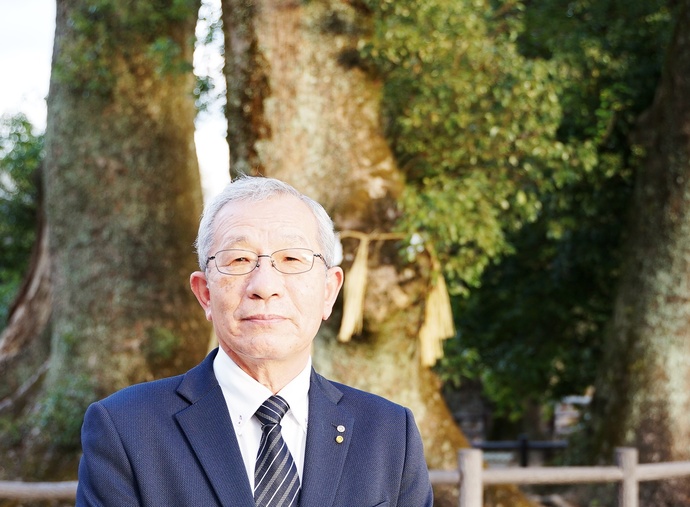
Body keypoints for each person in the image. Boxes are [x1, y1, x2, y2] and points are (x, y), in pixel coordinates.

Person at [76, 176, 433, 506]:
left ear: (329, 291)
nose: (264, 286)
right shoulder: (127, 427)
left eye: (292, 258)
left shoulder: (388, 433)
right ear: (204, 294)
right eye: (240, 259)